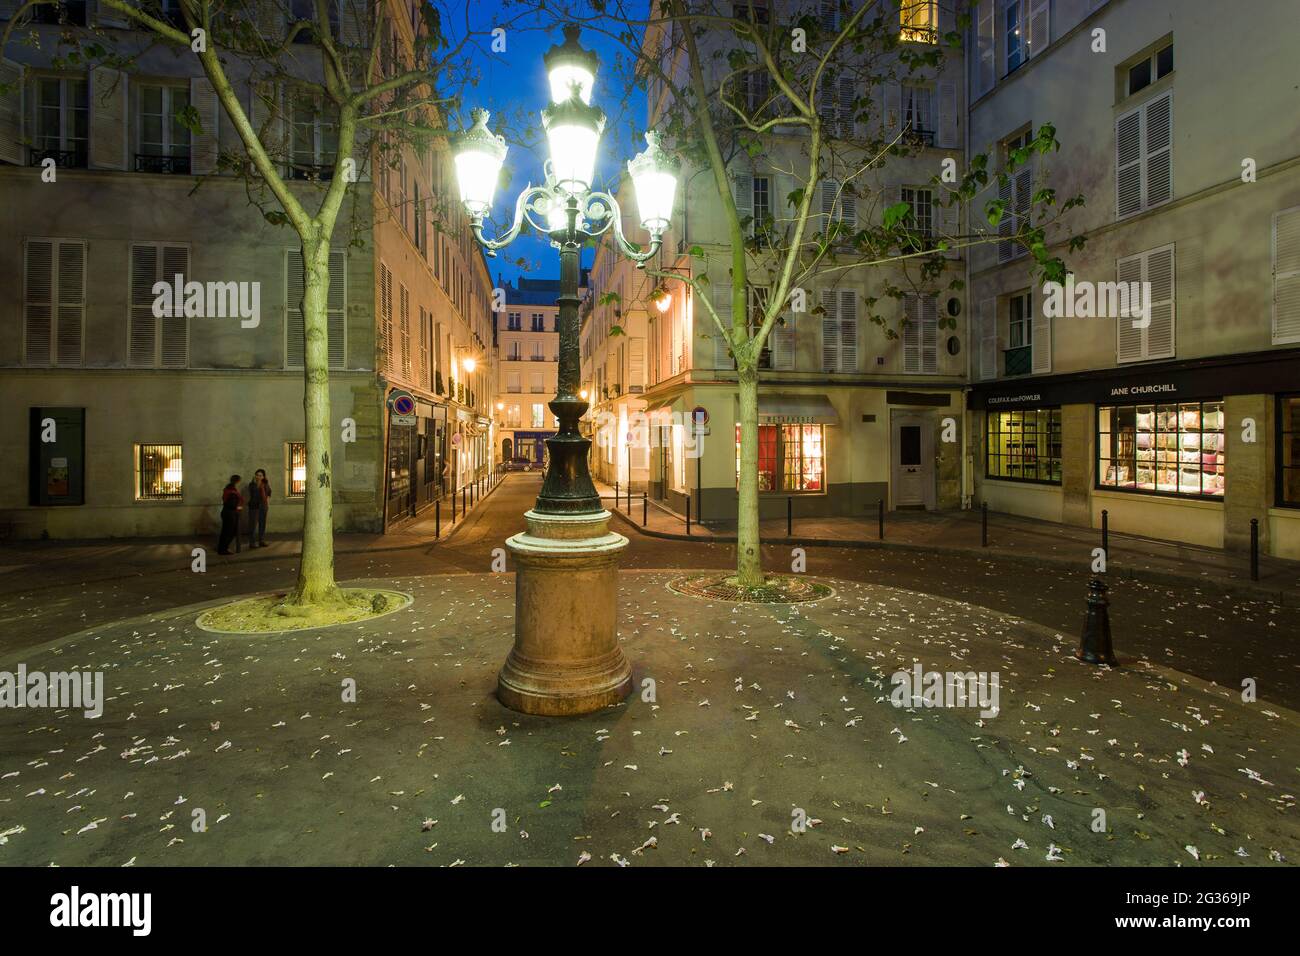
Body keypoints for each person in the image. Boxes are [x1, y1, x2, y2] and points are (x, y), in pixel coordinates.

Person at [246, 469, 272, 548]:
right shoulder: (252, 484)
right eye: (257, 475)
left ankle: (261, 540)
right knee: (253, 525)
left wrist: (267, 501)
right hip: (254, 507)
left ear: (263, 476)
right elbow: (253, 493)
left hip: (263, 506)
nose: (258, 477)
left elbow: (269, 492)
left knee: (262, 524)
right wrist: (257, 483)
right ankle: (252, 542)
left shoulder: (265, 484)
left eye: (260, 475)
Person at [218, 475, 242, 555]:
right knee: (230, 532)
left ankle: (221, 548)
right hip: (230, 513)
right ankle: (223, 549)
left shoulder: (228, 489)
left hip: (226, 512)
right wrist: (238, 507)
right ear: (237, 481)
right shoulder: (232, 492)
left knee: (225, 531)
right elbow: (231, 504)